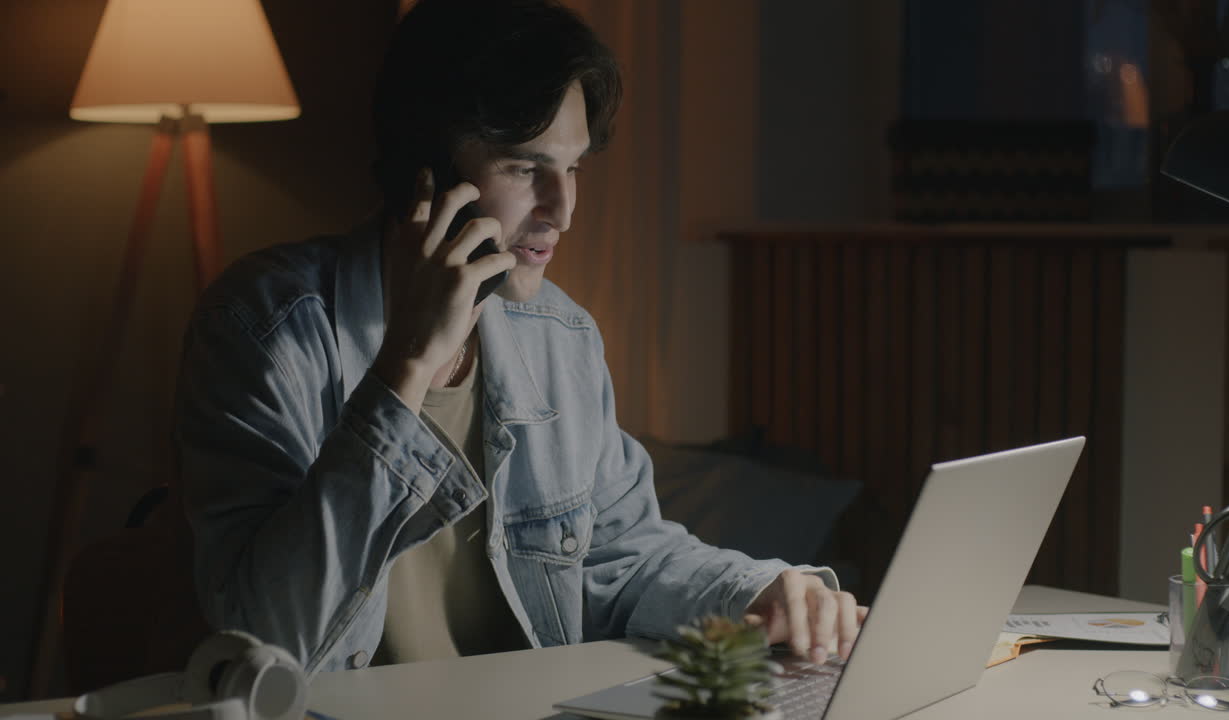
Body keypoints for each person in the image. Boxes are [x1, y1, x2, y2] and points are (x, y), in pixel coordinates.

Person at [175, 0, 863, 675]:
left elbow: (626, 557)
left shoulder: (560, 340)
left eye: (574, 169)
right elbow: (267, 634)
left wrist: (760, 589)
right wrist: (407, 366)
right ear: (426, 176)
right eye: (524, 168)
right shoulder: (263, 327)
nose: (562, 209)